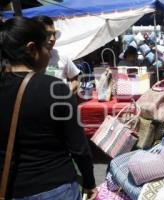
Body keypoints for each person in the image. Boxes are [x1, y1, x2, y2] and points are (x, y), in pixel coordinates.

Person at [0, 17, 97, 199]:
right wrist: (90, 182)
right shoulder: (55, 89)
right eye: (46, 47)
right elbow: (79, 147)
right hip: (54, 187)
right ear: (32, 49)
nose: (49, 52)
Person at [32, 15, 80, 94]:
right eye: (47, 34)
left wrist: (68, 94)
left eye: (54, 34)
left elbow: (75, 79)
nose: (53, 39)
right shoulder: (25, 61)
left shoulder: (62, 56)